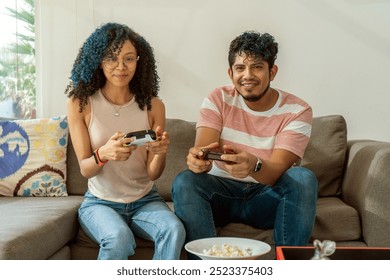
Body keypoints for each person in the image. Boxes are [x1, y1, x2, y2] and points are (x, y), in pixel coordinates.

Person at [172, 31, 318, 259]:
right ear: (230, 73)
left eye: (257, 67)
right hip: (220, 195)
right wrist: (199, 161)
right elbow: (203, 152)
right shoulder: (218, 98)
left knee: (303, 178)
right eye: (240, 68)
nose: (247, 76)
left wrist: (254, 165)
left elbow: (276, 171)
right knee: (186, 180)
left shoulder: (297, 110)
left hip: (266, 197)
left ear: (273, 71)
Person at [65, 22, 185, 260]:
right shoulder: (80, 103)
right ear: (99, 60)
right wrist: (104, 154)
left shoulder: (153, 105)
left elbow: (153, 174)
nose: (120, 67)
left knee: (173, 229)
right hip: (100, 203)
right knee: (119, 238)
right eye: (111, 58)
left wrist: (159, 151)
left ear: (139, 61)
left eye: (129, 59)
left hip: (145, 201)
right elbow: (86, 169)